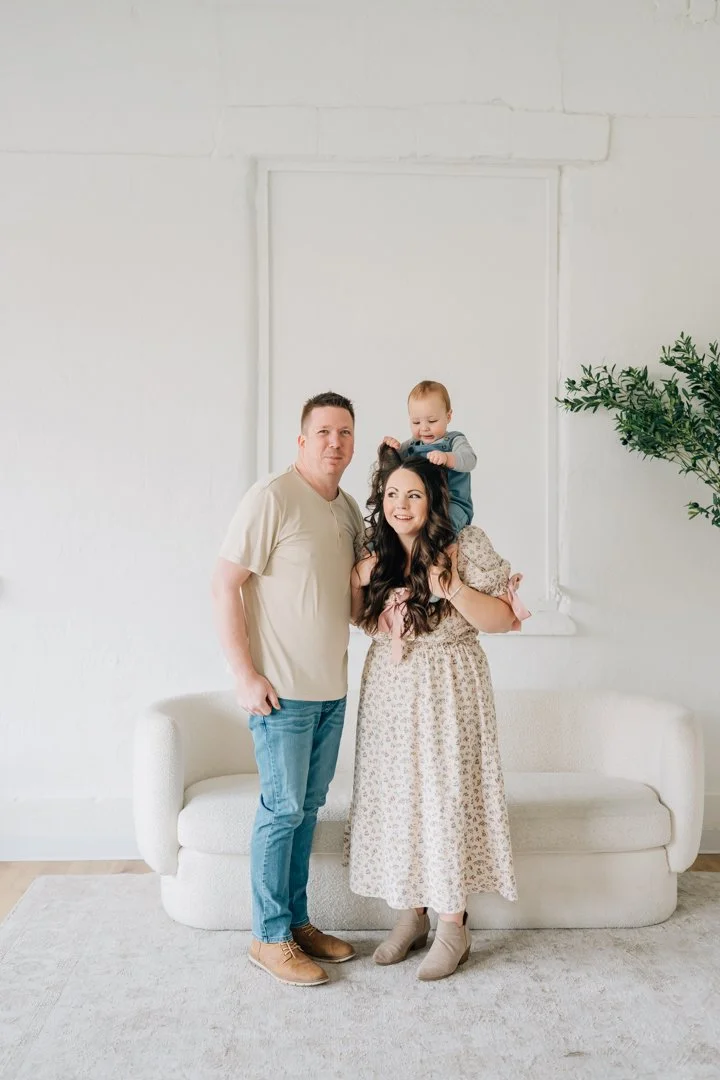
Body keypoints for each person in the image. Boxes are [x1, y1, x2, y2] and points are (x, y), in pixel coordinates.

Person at [345, 445, 529, 981]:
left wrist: (454, 588)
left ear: (433, 500)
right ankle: (412, 915)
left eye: (413, 494)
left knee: (447, 799)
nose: (401, 504)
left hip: (450, 684)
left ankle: (454, 924)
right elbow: (361, 620)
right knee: (400, 798)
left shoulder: (464, 543)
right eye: (392, 493)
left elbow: (502, 620)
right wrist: (357, 580)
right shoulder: (375, 546)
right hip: (391, 689)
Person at [212, 391, 364, 987]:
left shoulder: (347, 509)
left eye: (344, 433)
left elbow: (352, 606)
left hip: (332, 692)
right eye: (323, 432)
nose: (335, 442)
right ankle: (268, 937)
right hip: (281, 694)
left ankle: (296, 924)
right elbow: (224, 584)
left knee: (306, 811)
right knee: (281, 812)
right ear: (302, 440)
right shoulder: (272, 496)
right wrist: (243, 674)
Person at [383, 379, 477, 535]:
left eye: (432, 421)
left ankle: (446, 547)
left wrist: (447, 458)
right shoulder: (413, 444)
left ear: (448, 416)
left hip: (452, 503)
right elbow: (395, 464)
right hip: (423, 505)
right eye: (416, 422)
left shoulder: (454, 440)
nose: (424, 428)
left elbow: (470, 460)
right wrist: (390, 448)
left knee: (445, 524)